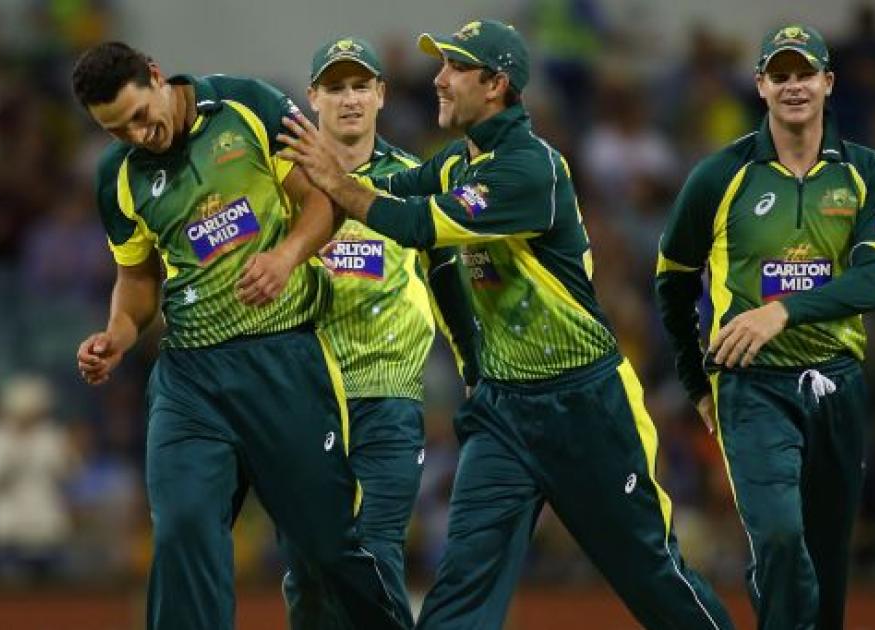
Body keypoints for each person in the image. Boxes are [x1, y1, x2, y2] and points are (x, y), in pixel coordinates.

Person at [280, 19, 734, 630]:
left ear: (495, 85)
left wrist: (334, 181)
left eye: (455, 68)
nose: (438, 80)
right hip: (504, 413)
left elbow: (415, 224)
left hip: (585, 407)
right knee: (460, 593)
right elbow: (383, 187)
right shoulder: (457, 163)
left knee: (652, 574)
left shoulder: (529, 169)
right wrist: (306, 176)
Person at [70, 42, 405, 629]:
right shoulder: (117, 176)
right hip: (190, 379)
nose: (137, 136)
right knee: (182, 531)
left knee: (326, 546)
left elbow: (323, 200)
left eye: (140, 116)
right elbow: (137, 278)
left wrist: (285, 257)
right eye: (116, 130)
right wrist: (117, 334)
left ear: (156, 75)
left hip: (283, 359)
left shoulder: (246, 106)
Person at [654, 25, 875, 629]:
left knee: (827, 562)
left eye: (805, 74)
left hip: (838, 384)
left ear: (829, 82)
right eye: (780, 75)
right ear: (761, 86)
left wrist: (782, 311)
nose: (794, 86)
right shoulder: (718, 177)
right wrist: (696, 385)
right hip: (751, 386)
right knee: (777, 536)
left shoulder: (871, 173)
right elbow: (672, 283)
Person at [279, 37, 480, 629]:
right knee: (308, 569)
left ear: (382, 95)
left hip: (387, 395)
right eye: (335, 87)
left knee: (372, 549)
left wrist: (474, 369)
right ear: (312, 97)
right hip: (305, 396)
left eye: (360, 86)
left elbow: (446, 279)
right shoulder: (282, 180)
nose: (349, 99)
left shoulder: (413, 179)